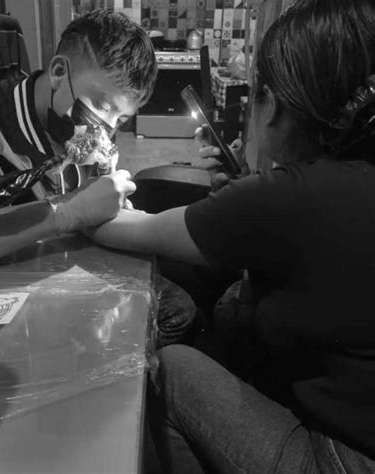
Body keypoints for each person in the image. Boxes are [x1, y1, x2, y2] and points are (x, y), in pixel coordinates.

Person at [87, 0, 375, 471]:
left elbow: (125, 228)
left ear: (273, 106)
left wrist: (78, 203)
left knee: (173, 370)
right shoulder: (349, 176)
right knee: (229, 307)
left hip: (346, 459)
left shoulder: (291, 197)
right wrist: (245, 192)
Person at [0, 9, 196, 348]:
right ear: (59, 72)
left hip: (70, 272)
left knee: (178, 309)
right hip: (0, 295)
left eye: (121, 119)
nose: (107, 128)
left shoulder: (89, 131)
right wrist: (67, 211)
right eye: (101, 104)